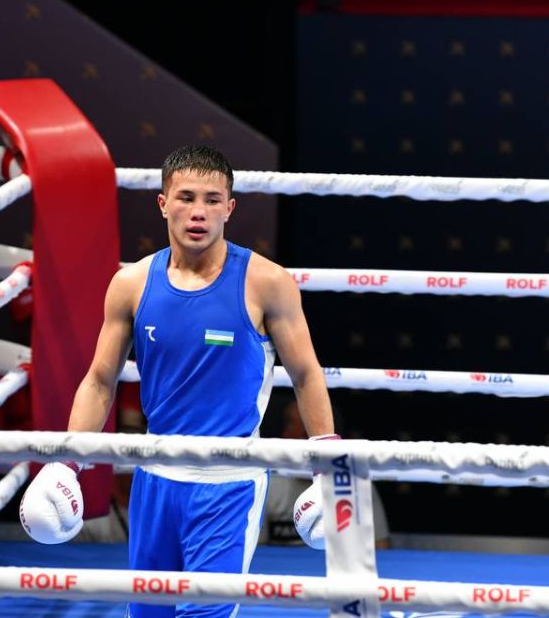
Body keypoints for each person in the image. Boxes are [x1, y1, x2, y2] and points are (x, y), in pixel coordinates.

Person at [20, 145, 338, 617]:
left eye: (212, 200)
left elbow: (306, 373)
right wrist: (68, 461)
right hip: (154, 478)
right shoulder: (131, 284)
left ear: (230, 208)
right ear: (163, 203)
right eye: (186, 197)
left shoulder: (266, 283)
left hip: (229, 483)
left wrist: (327, 467)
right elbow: (100, 380)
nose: (198, 212)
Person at [260, 397, 390, 549]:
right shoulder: (271, 483)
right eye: (286, 423)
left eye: (291, 424)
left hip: (340, 563)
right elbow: (258, 551)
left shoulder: (356, 485)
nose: (285, 433)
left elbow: (380, 545)